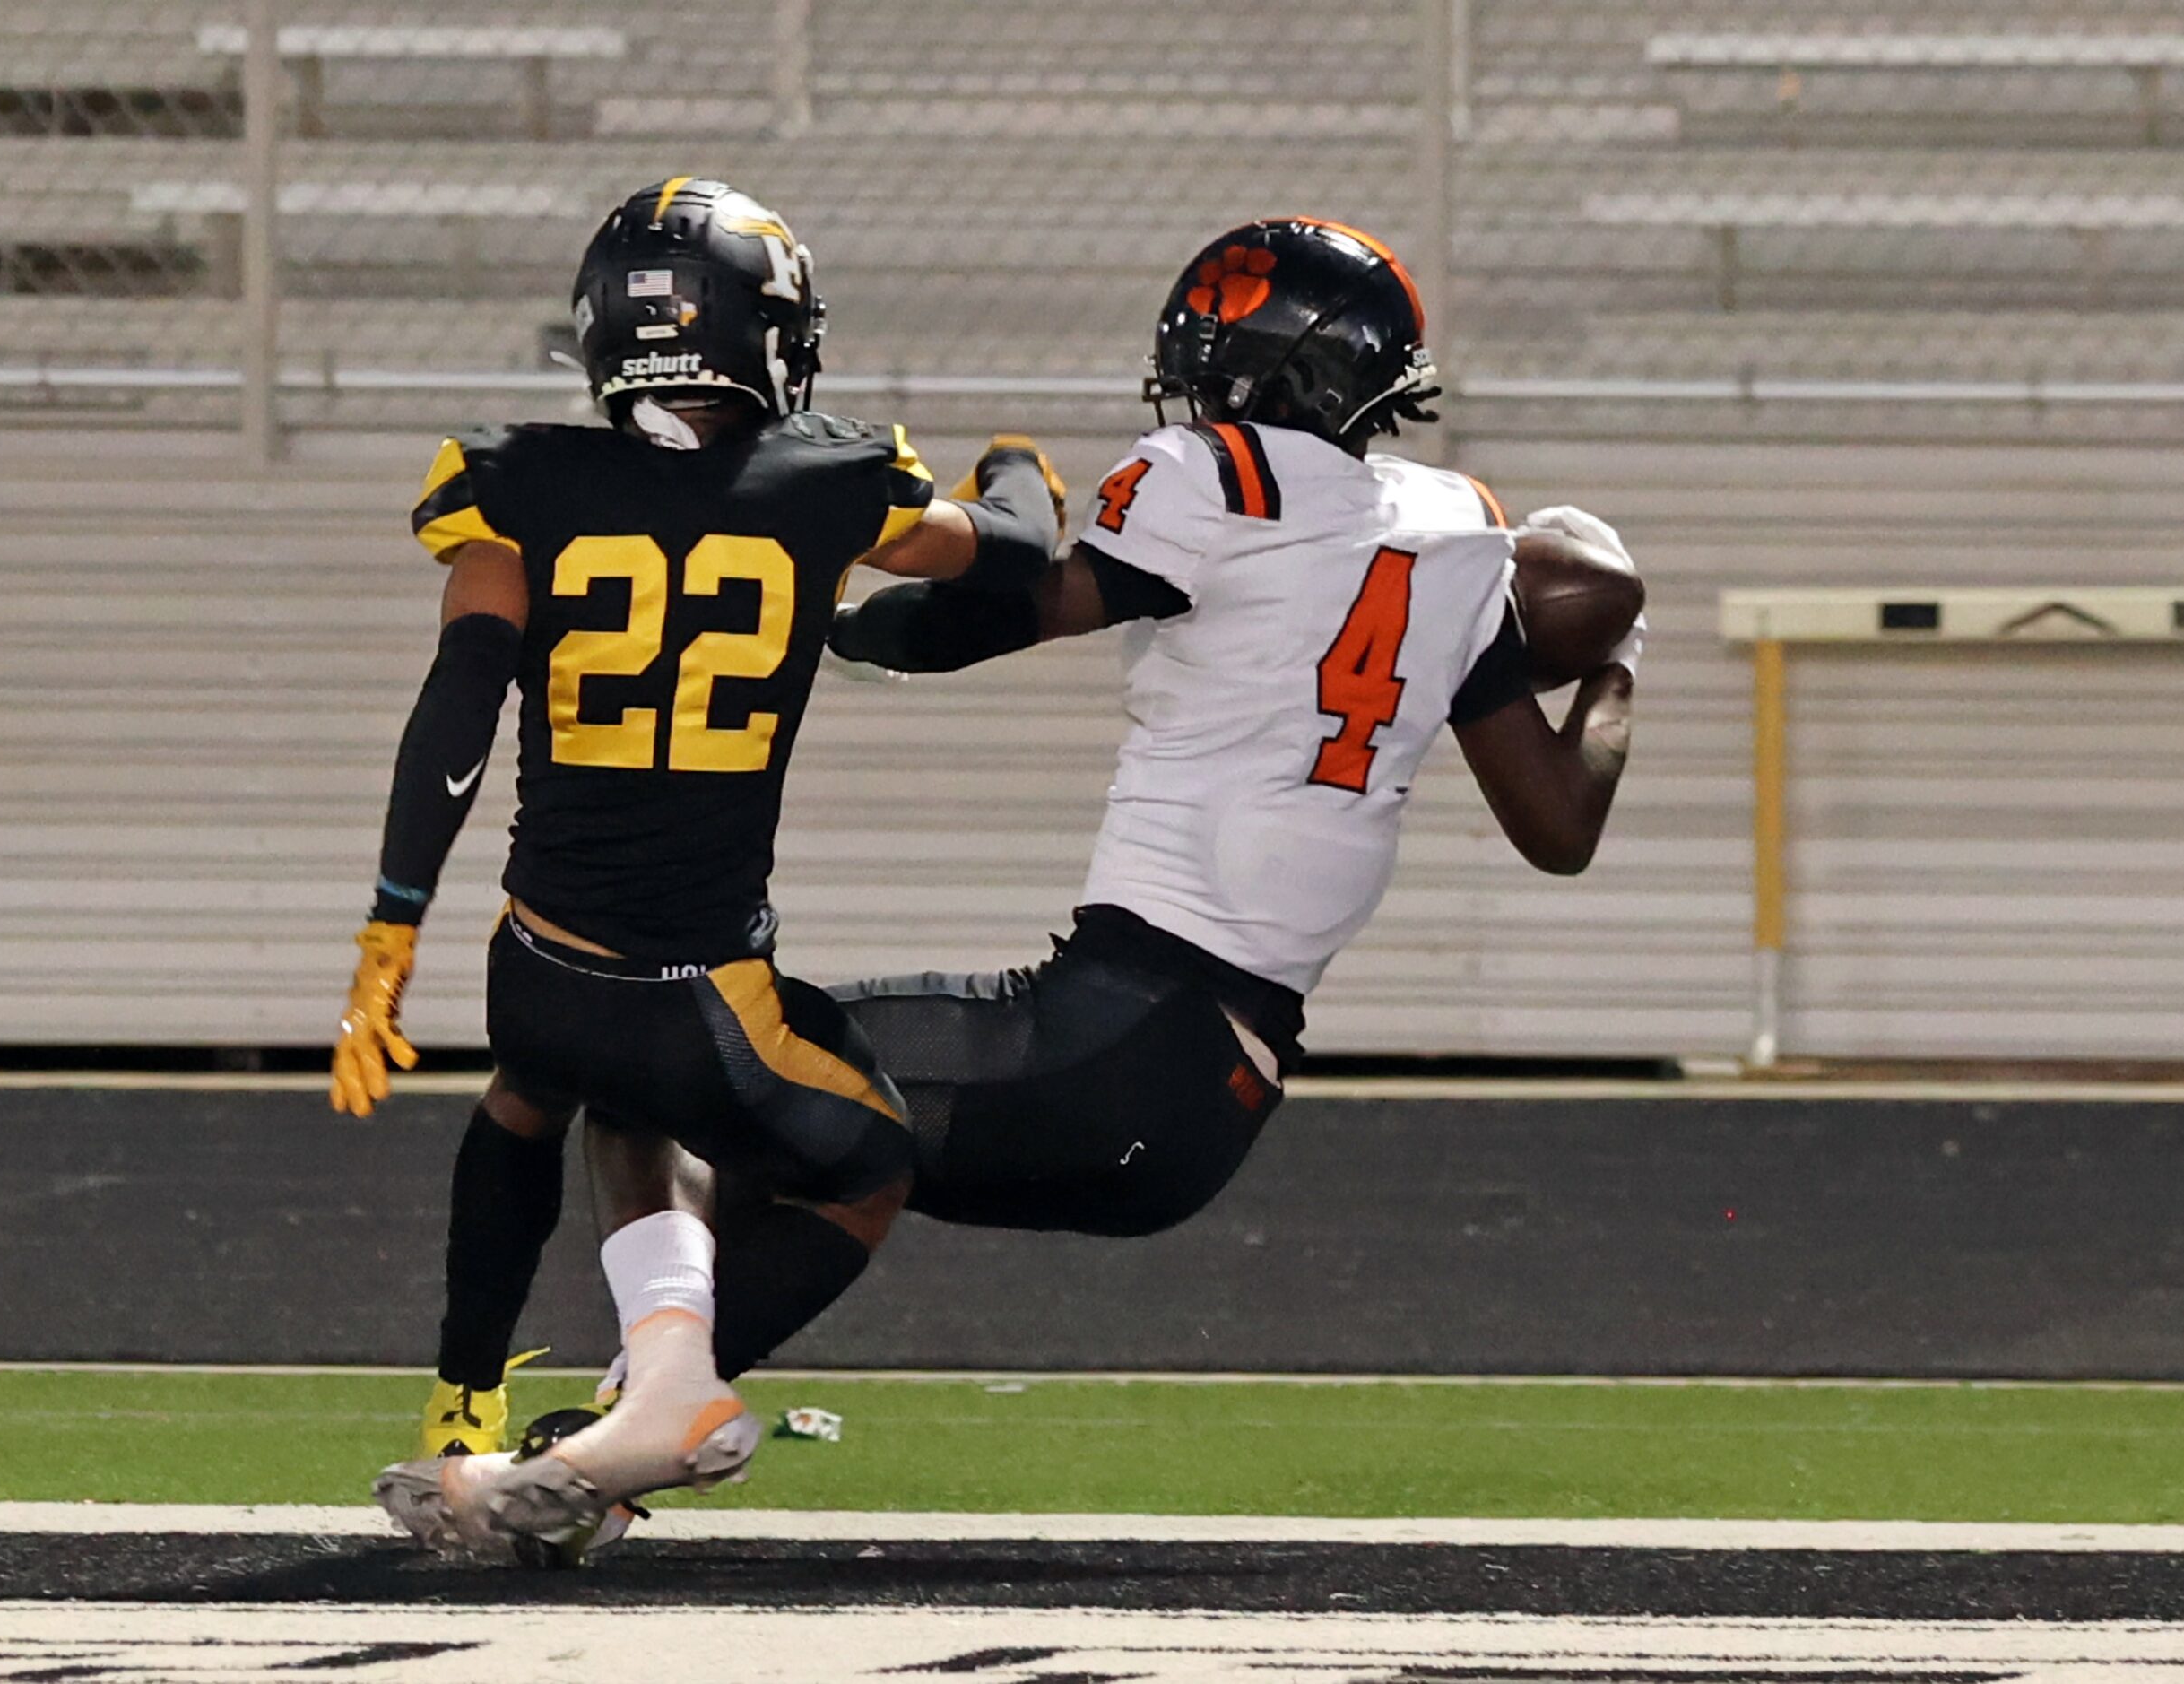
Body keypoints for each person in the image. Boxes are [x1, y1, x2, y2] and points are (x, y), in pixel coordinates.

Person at [576, 214, 1641, 1448]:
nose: (1188, 380)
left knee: (655, 1066)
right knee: (843, 1146)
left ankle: (657, 1397)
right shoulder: (1457, 532)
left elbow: (997, 613)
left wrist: (832, 620)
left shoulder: (1214, 476)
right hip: (1214, 1100)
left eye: (1211, 350)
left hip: (1109, 1037)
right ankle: (626, 1438)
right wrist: (1620, 664)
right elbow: (1559, 824)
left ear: (1274, 367)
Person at [325, 177, 1062, 1548]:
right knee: (870, 1154)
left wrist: (390, 926)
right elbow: (1013, 554)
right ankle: (668, 1385)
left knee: (538, 1100)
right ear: (757, 330)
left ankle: (456, 1412)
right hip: (696, 995)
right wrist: (1021, 463)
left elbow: (460, 693)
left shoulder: (512, 479)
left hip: (536, 964)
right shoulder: (832, 481)